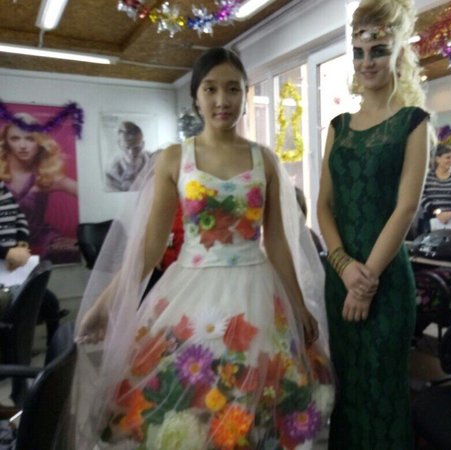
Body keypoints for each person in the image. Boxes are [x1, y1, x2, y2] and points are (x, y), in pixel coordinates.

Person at [73, 47, 334, 449]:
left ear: (245, 94)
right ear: (196, 97)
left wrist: (299, 305)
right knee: (188, 401)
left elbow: (278, 242)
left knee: (254, 410)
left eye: (232, 89)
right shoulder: (175, 159)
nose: (222, 100)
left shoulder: (264, 160)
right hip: (189, 292)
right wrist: (108, 303)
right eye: (210, 89)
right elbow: (151, 245)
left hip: (258, 293)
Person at [316, 0, 430, 448]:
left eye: (379, 50)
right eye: (360, 52)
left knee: (383, 392)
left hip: (386, 285)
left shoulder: (412, 123)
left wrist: (365, 284)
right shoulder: (338, 127)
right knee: (347, 390)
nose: (367, 62)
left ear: (398, 51)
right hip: (340, 278)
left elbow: (406, 209)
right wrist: (344, 268)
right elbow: (323, 205)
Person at [0, 113, 78, 261]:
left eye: (30, 139)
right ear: (6, 142)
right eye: (15, 139)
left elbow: (88, 192)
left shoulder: (46, 176)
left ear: (40, 142)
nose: (23, 146)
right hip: (5, 245)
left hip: (43, 241)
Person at [0, 180, 66, 346]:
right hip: (5, 263)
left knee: (49, 302)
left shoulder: (2, 188)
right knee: (13, 314)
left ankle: (52, 347)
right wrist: (6, 253)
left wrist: (21, 242)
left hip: (10, 269)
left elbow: (19, 217)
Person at [420, 143, 451, 231]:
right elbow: (421, 197)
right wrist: (438, 213)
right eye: (448, 157)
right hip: (431, 220)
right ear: (437, 159)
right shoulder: (426, 178)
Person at [105, 121, 151, 192]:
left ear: (143, 144)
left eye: (136, 148)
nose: (131, 153)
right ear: (119, 144)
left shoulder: (155, 161)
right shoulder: (111, 174)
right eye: (127, 148)